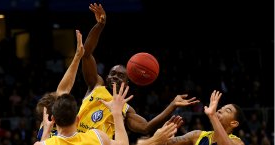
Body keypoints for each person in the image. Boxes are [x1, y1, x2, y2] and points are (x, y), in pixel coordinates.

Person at [79, 2, 200, 139]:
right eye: (112, 74)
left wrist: (172, 105)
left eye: (120, 76)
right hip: (74, 140)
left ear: (127, 82)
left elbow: (146, 127)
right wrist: (100, 25)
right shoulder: (96, 85)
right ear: (106, 77)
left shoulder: (126, 109)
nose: (115, 77)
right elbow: (87, 54)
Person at [34, 81, 133, 145]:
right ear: (77, 119)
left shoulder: (43, 144)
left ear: (54, 120)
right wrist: (116, 113)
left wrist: (46, 131)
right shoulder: (97, 137)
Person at [35, 29, 84, 140]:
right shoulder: (67, 130)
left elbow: (63, 89)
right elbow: (64, 89)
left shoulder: (44, 128)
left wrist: (77, 57)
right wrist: (77, 57)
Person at [154, 90, 245, 145]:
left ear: (234, 123)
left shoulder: (237, 142)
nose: (220, 110)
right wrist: (163, 134)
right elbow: (165, 143)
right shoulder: (197, 135)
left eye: (227, 110)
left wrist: (212, 115)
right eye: (220, 108)